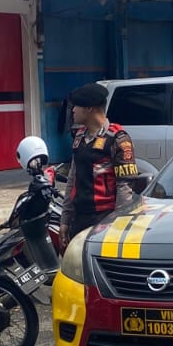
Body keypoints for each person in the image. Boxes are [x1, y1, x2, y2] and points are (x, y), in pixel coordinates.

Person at [60, 83, 144, 241]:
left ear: (89, 108)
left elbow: (124, 187)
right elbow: (72, 180)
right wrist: (65, 220)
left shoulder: (117, 139)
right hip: (78, 219)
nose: (73, 110)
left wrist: (118, 225)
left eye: (76, 106)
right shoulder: (79, 137)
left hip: (104, 220)